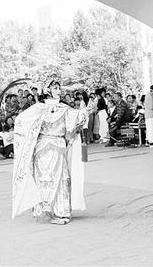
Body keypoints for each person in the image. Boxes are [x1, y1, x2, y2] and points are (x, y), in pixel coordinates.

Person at [11, 90, 92, 224]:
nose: (58, 90)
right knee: (42, 177)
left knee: (60, 177)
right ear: (48, 90)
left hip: (58, 145)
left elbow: (76, 117)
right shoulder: (38, 108)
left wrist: (86, 110)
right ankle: (43, 210)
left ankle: (60, 211)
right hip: (42, 146)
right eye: (54, 87)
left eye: (58, 87)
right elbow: (22, 120)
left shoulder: (65, 108)